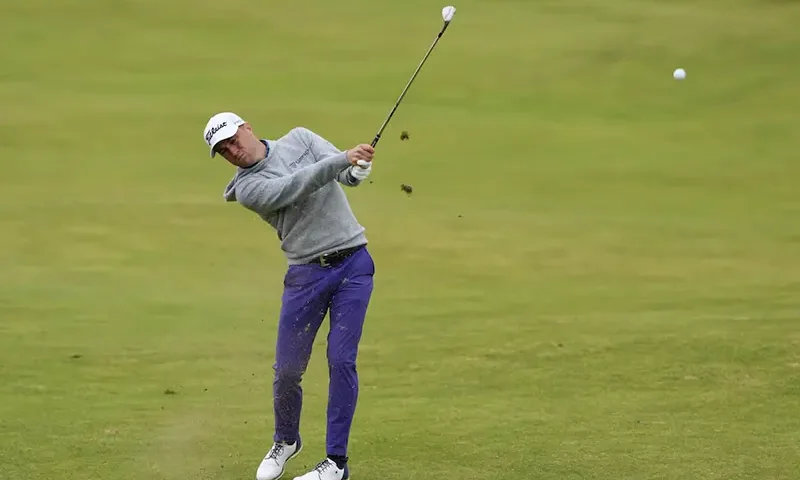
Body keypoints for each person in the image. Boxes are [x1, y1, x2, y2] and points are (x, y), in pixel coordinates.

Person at [202, 112, 376, 480]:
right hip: (306, 274)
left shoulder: (301, 138)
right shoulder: (248, 189)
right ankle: (286, 440)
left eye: (234, 140)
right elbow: (294, 186)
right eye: (224, 150)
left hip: (353, 265)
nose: (233, 151)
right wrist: (343, 159)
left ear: (248, 128)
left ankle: (336, 464)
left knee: (341, 359)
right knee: (287, 370)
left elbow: (346, 174)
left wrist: (357, 169)